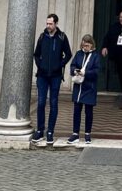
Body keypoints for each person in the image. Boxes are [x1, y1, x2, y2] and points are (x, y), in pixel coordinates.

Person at [31, 13, 72, 146]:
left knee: (53, 103)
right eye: (47, 23)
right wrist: (40, 65)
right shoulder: (42, 37)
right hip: (42, 75)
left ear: (56, 24)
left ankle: (50, 132)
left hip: (55, 76)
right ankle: (40, 130)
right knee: (41, 102)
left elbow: (68, 54)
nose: (48, 26)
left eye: (50, 23)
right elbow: (36, 54)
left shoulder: (62, 37)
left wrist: (59, 65)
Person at [64, 34, 100, 146]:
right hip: (78, 87)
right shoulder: (79, 54)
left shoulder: (95, 56)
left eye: (87, 45)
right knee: (76, 110)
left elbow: (97, 71)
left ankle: (87, 134)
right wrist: (75, 70)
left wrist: (85, 73)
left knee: (88, 112)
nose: (85, 47)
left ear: (91, 45)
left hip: (89, 87)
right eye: (84, 45)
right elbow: (72, 65)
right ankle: (75, 133)